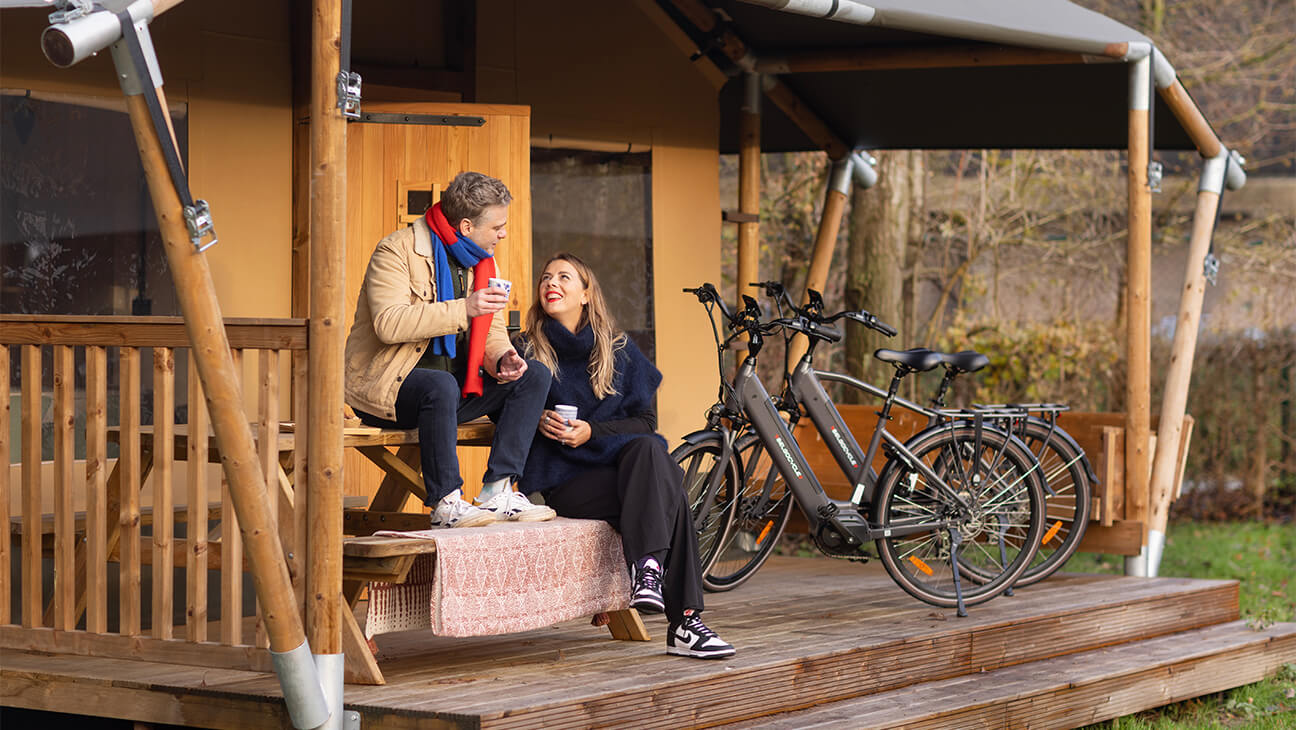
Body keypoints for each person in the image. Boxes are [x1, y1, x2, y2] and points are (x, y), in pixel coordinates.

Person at [517, 253, 735, 659]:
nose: (552, 282)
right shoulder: (528, 349)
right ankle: (684, 619)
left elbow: (645, 421)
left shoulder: (618, 350)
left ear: (586, 293)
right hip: (569, 481)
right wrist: (538, 419)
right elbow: (504, 410)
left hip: (626, 472)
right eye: (546, 277)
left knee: (651, 451)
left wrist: (592, 432)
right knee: (671, 494)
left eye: (565, 276)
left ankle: (650, 575)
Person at [344, 171, 555, 527]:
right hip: (388, 391)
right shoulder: (396, 250)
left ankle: (497, 491)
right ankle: (446, 504)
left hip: (452, 394)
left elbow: (493, 330)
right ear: (468, 226)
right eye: (497, 226)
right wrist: (465, 308)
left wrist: (502, 357)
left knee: (534, 375)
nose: (503, 233)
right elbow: (388, 323)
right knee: (439, 385)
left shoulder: (484, 262)